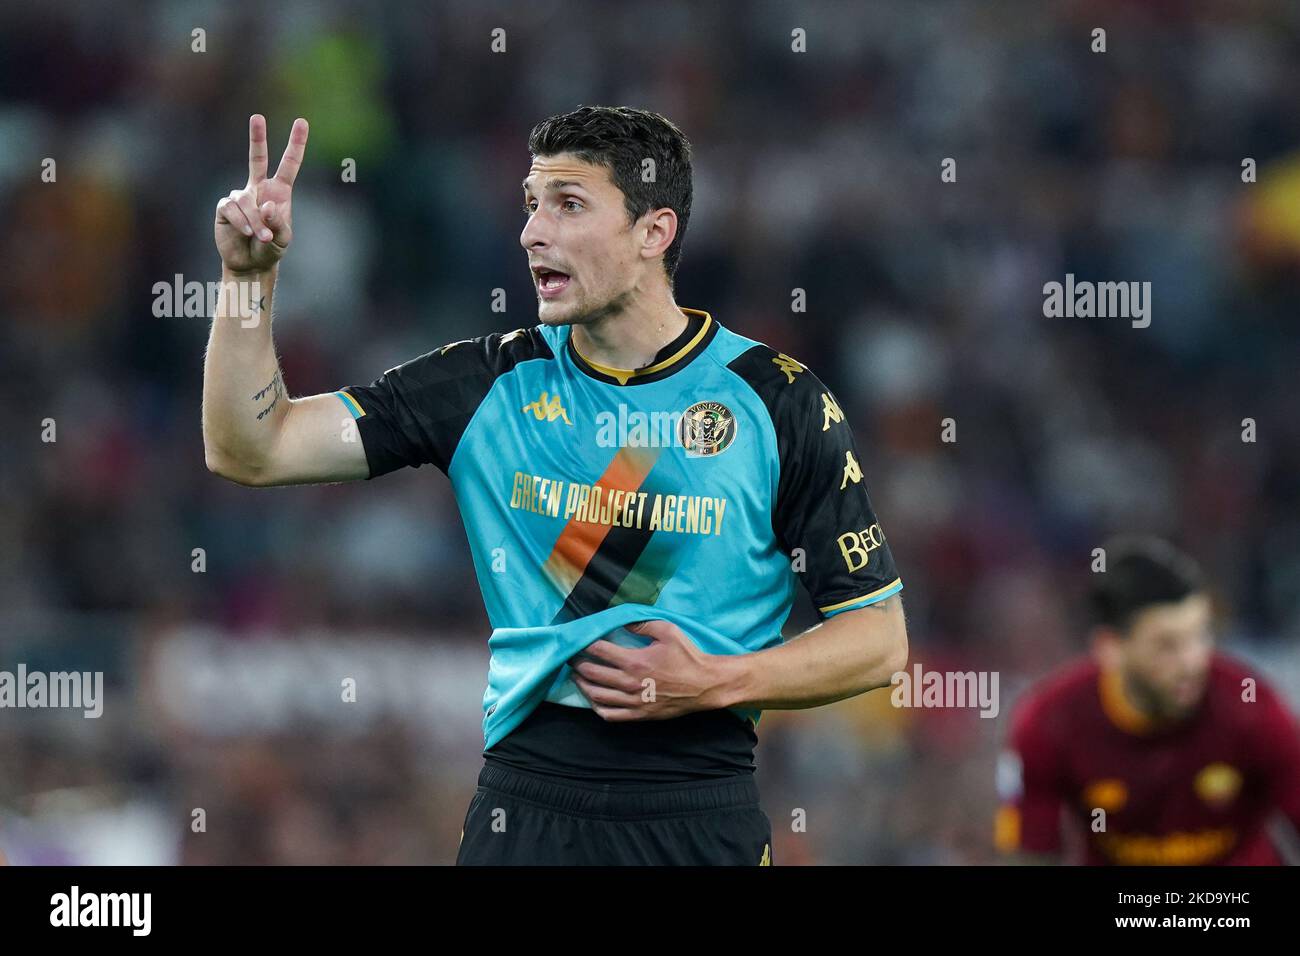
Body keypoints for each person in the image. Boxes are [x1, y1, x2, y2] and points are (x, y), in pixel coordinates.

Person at [202, 105, 908, 865]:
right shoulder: (485, 384)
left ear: (653, 232)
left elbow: (878, 642)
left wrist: (714, 681)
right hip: (527, 815)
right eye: (532, 205)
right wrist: (248, 280)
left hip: (701, 816)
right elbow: (252, 448)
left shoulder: (778, 401)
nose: (533, 231)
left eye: (569, 205)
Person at [996, 536, 1300, 864]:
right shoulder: (1050, 722)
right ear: (1110, 647)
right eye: (1167, 645)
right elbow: (1029, 855)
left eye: (1199, 635)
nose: (1193, 662)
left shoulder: (1252, 709)